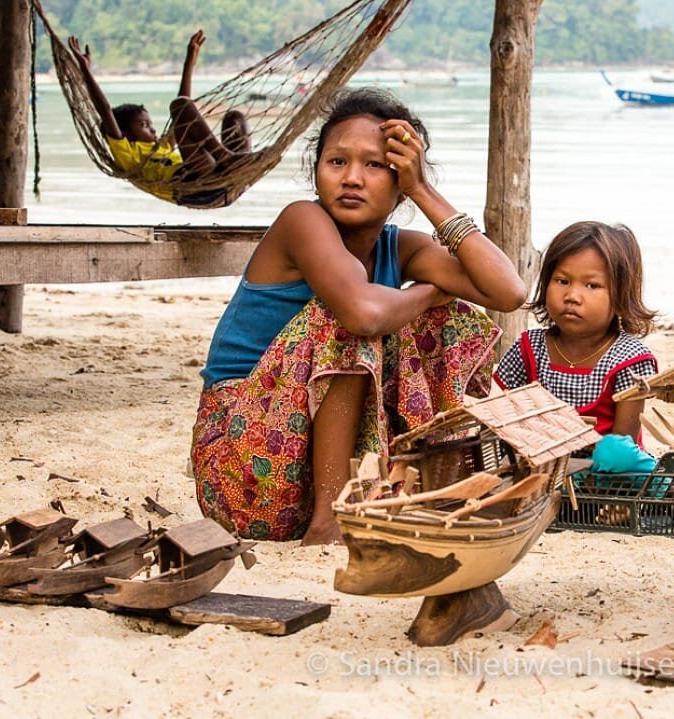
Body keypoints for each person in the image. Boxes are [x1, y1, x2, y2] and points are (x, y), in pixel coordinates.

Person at [191, 87, 526, 545]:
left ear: (399, 183)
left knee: (453, 320)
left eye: (374, 165)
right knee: (352, 316)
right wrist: (428, 294)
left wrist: (424, 190)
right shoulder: (301, 221)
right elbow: (363, 315)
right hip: (243, 472)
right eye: (336, 162)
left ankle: (430, 485)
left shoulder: (399, 245)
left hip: (302, 476)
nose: (352, 178)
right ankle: (330, 520)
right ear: (316, 175)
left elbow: (508, 292)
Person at [494, 221, 657, 444]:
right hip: (537, 462)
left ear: (620, 297)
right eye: (562, 281)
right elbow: (498, 412)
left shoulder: (629, 358)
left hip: (607, 471)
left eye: (592, 285)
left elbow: (624, 444)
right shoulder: (529, 348)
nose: (572, 295)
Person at [68, 30, 252, 204]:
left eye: (150, 123)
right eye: (143, 125)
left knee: (234, 118)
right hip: (195, 188)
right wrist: (85, 71)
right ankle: (227, 158)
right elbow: (105, 110)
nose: (152, 128)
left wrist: (189, 64)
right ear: (126, 133)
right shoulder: (128, 154)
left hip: (225, 181)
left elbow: (183, 108)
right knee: (179, 106)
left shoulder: (160, 146)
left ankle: (238, 164)